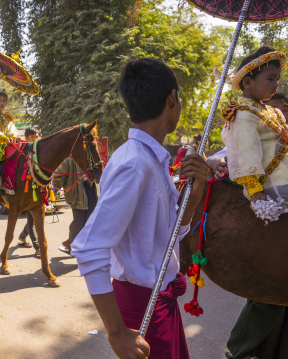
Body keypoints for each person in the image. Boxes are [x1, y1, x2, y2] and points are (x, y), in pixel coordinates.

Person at [71, 58, 208, 359]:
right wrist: (117, 332)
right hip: (141, 308)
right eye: (180, 97)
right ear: (172, 99)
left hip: (160, 302)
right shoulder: (134, 163)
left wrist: (193, 196)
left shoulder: (152, 159)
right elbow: (89, 248)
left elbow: (168, 234)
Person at [211, 93, 288, 359]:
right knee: (270, 291)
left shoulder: (281, 135)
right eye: (273, 112)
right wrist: (213, 162)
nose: (278, 118)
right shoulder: (245, 121)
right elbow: (235, 153)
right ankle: (242, 347)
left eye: (282, 112)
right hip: (263, 216)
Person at [221, 46, 288, 215]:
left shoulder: (273, 111)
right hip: (272, 180)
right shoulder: (244, 114)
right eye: (271, 78)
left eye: (277, 79)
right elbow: (247, 150)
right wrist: (254, 190)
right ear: (248, 83)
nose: (276, 84)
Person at [53, 157, 99, 256]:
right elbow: (58, 176)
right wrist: (52, 189)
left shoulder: (90, 156)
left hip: (91, 190)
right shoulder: (69, 159)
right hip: (78, 193)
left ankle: (70, 243)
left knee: (90, 221)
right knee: (78, 221)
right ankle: (72, 244)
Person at [17, 126, 41, 257]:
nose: (35, 139)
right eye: (32, 138)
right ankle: (37, 248)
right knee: (32, 219)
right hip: (28, 188)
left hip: (38, 188)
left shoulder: (39, 150)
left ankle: (22, 236)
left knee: (34, 217)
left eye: (36, 137)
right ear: (26, 139)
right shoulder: (24, 151)